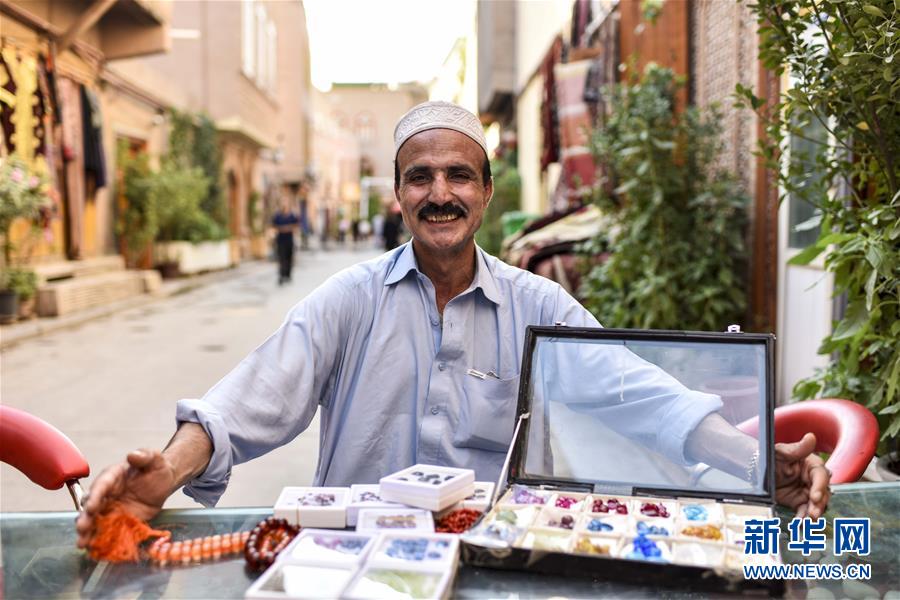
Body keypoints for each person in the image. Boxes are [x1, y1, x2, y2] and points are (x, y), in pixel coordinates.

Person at [76, 101, 830, 548]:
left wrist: (756, 461)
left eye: (458, 175)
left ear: (486, 194)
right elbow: (247, 400)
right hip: (354, 563)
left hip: (492, 563)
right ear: (399, 196)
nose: (440, 193)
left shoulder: (540, 307)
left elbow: (644, 396)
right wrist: (164, 472)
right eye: (420, 177)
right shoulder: (351, 299)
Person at [272, 198, 300, 285]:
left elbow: (296, 226)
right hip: (280, 240)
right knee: (281, 258)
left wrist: (285, 228)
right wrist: (287, 228)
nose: (284, 206)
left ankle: (288, 275)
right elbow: (274, 226)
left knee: (289, 257)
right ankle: (281, 275)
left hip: (289, 240)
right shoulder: (277, 216)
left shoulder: (292, 215)